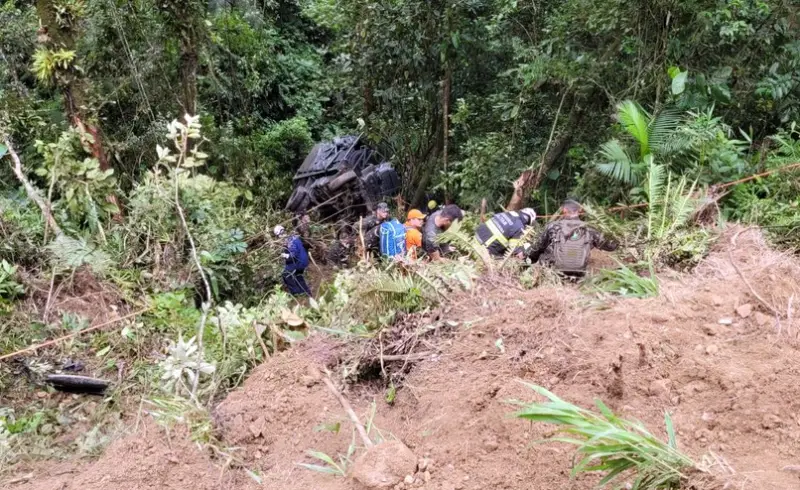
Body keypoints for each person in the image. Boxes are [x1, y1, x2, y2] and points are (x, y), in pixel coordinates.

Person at [529, 200, 618, 276]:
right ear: (580, 210)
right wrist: (617, 237)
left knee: (542, 253)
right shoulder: (589, 228)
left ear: (564, 210)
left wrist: (529, 257)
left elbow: (538, 246)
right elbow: (610, 246)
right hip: (579, 270)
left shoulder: (553, 226)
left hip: (554, 270)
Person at [274, 225, 312, 296]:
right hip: (304, 260)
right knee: (298, 275)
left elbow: (294, 255)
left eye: (278, 236)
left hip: (299, 262)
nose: (278, 238)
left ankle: (296, 292)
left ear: (280, 234)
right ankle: (306, 292)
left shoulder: (290, 241)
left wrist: (285, 255)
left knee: (286, 274)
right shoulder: (292, 237)